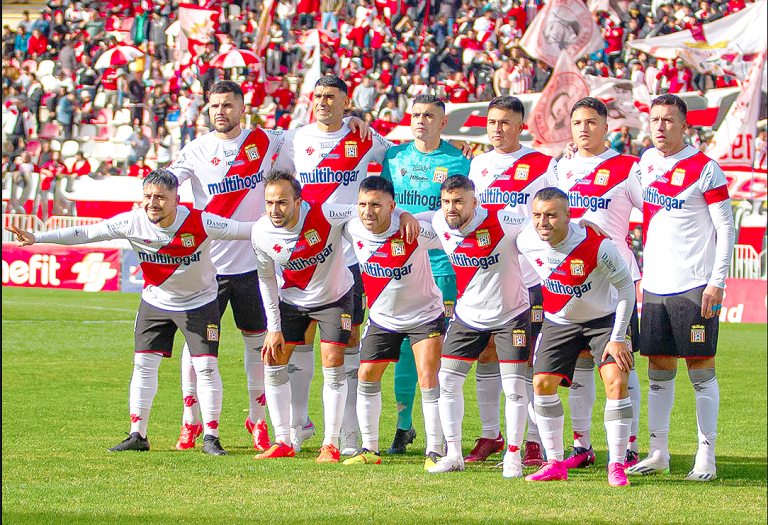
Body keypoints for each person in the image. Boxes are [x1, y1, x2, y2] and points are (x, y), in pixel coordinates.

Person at [6, 169, 256, 456]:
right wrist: (36, 237)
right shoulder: (132, 221)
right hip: (155, 300)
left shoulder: (202, 221)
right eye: (148, 196)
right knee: (143, 366)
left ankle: (211, 437)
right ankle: (138, 434)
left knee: (206, 368)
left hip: (199, 302)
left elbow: (245, 230)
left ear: (177, 199)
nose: (153, 203)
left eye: (161, 197)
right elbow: (87, 232)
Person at [249, 170, 417, 463]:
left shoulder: (325, 211)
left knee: (333, 360)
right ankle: (283, 440)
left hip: (335, 298)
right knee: (273, 358)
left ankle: (331, 443)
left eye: (283, 202)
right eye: (269, 203)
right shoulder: (260, 232)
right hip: (292, 299)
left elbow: (368, 207)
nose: (275, 209)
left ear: (298, 202)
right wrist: (273, 327)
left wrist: (403, 214)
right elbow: (266, 280)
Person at [273, 75, 390, 456]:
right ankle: (299, 425)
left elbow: (396, 156)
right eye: (318, 96)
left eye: (331, 97)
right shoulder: (296, 138)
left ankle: (350, 434)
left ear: (346, 101)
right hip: (303, 255)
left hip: (350, 258)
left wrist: (366, 126)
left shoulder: (365, 138)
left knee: (346, 346)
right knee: (298, 342)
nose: (323, 102)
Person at [167, 80, 285, 453]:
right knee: (197, 351)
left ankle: (257, 419)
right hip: (207, 271)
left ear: (242, 107)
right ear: (207, 109)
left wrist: (356, 125)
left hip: (255, 266)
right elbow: (166, 182)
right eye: (215, 105)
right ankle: (191, 422)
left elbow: (315, 138)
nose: (221, 111)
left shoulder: (266, 141)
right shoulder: (197, 149)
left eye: (228, 105)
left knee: (258, 348)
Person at [626, 95, 734, 482]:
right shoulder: (646, 163)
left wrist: (716, 281)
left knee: (701, 370)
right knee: (658, 368)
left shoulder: (706, 169)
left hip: (694, 285)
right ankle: (659, 451)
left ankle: (707, 455)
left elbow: (726, 228)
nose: (659, 126)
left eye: (668, 120)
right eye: (654, 119)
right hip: (655, 286)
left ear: (684, 125)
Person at [517, 187, 636, 487]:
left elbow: (626, 289)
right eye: (537, 215)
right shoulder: (526, 240)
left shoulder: (598, 245)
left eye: (552, 215)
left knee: (616, 382)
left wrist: (618, 337)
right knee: (541, 383)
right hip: (559, 322)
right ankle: (554, 462)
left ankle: (617, 465)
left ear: (569, 216)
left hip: (603, 321)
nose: (543, 222)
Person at [467, 96, 558, 467]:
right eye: (492, 121)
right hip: (488, 275)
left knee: (529, 358)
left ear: (521, 126)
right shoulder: (479, 164)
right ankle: (491, 434)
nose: (497, 128)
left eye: (505, 122)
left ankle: (533, 440)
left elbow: (558, 208)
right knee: (487, 353)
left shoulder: (541, 164)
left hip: (532, 277)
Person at [380, 94, 470, 460]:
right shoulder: (393, 156)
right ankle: (403, 427)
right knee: (403, 349)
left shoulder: (459, 158)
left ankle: (445, 435)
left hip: (442, 267)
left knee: (439, 354)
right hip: (398, 265)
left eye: (429, 115)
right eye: (416, 114)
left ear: (442, 122)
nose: (421, 120)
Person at [557, 97, 644, 470]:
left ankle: (629, 446)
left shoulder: (627, 167)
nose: (583, 129)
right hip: (571, 281)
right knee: (578, 366)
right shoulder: (560, 169)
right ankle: (582, 445)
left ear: (606, 126)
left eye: (592, 122)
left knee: (621, 364)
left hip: (615, 282)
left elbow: (653, 214)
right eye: (577, 123)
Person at [426, 175, 532, 477]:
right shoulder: (439, 221)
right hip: (468, 315)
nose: (451, 208)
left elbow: (541, 232)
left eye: (458, 201)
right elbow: (421, 220)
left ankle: (513, 454)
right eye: (446, 201)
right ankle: (454, 453)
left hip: (511, 313)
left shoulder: (505, 219)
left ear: (475, 201)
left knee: (513, 386)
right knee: (446, 381)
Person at [341, 177, 445, 466]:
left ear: (392, 205)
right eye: (362, 204)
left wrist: (409, 216)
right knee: (366, 376)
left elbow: (446, 223)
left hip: (424, 315)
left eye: (376, 205)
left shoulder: (414, 231)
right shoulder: (351, 226)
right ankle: (370, 450)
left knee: (427, 377)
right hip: (382, 318)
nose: (368, 211)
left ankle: (434, 450)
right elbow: (317, 213)